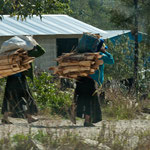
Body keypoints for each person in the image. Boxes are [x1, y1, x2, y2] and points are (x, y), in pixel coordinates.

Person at [1, 36, 45, 124]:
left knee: (9, 97)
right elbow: (41, 52)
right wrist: (35, 44)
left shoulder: (10, 53)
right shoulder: (26, 54)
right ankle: (29, 117)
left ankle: (5, 117)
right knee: (26, 97)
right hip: (20, 79)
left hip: (10, 79)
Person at [73, 39, 114, 127]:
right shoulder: (99, 55)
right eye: (104, 48)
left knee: (81, 98)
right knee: (91, 101)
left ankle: (73, 112)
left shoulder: (84, 55)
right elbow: (111, 60)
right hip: (90, 81)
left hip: (80, 80)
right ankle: (87, 121)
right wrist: (104, 52)